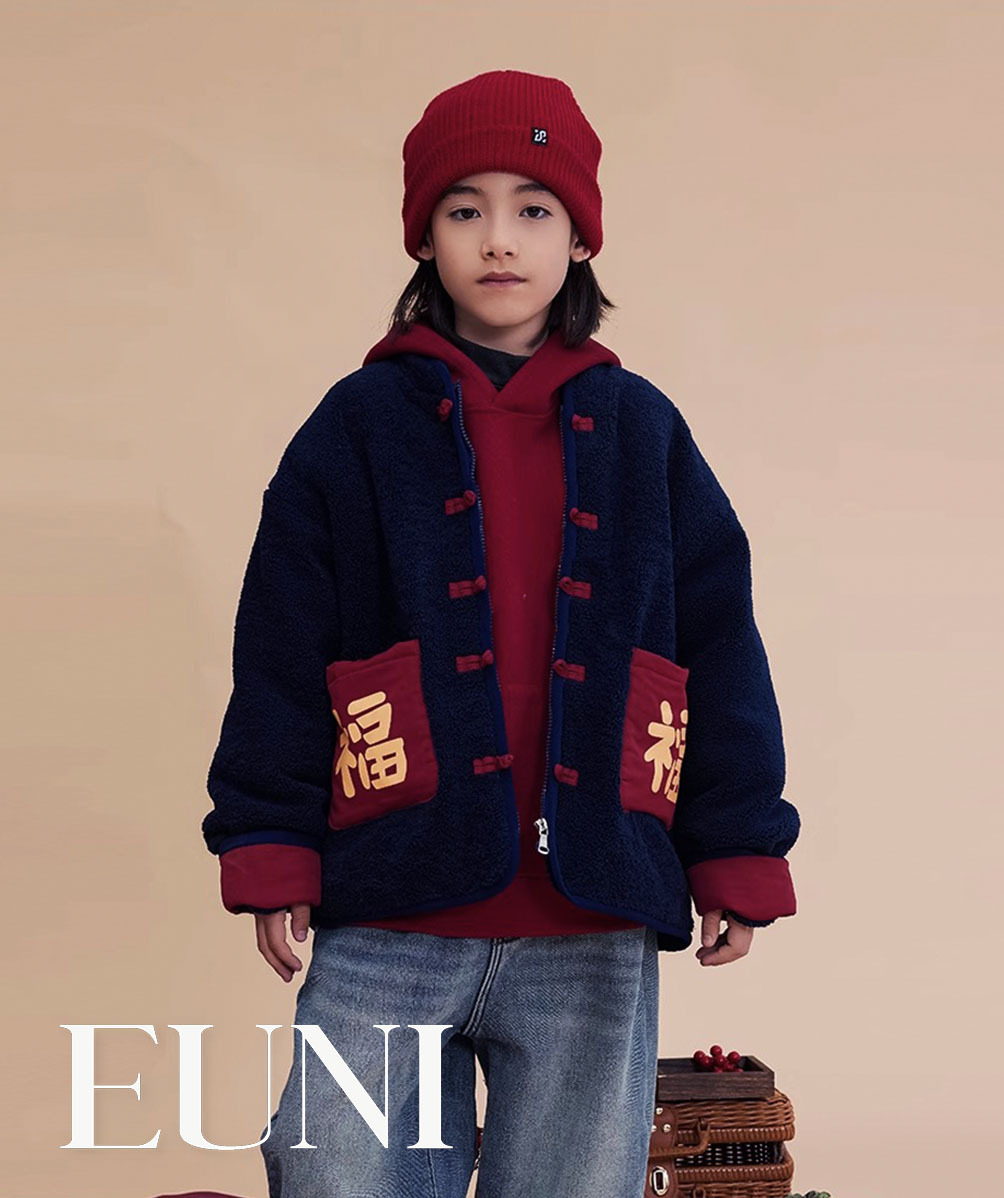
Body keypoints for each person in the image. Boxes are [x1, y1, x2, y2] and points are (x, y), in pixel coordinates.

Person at [201, 69, 800, 1198]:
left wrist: (734, 847)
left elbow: (719, 641)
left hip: (591, 915)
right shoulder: (354, 427)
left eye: (533, 208)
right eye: (463, 209)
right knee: (337, 1169)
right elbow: (280, 644)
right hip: (391, 898)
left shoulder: (644, 431)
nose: (498, 239)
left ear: (580, 238)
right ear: (423, 238)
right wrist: (270, 841)